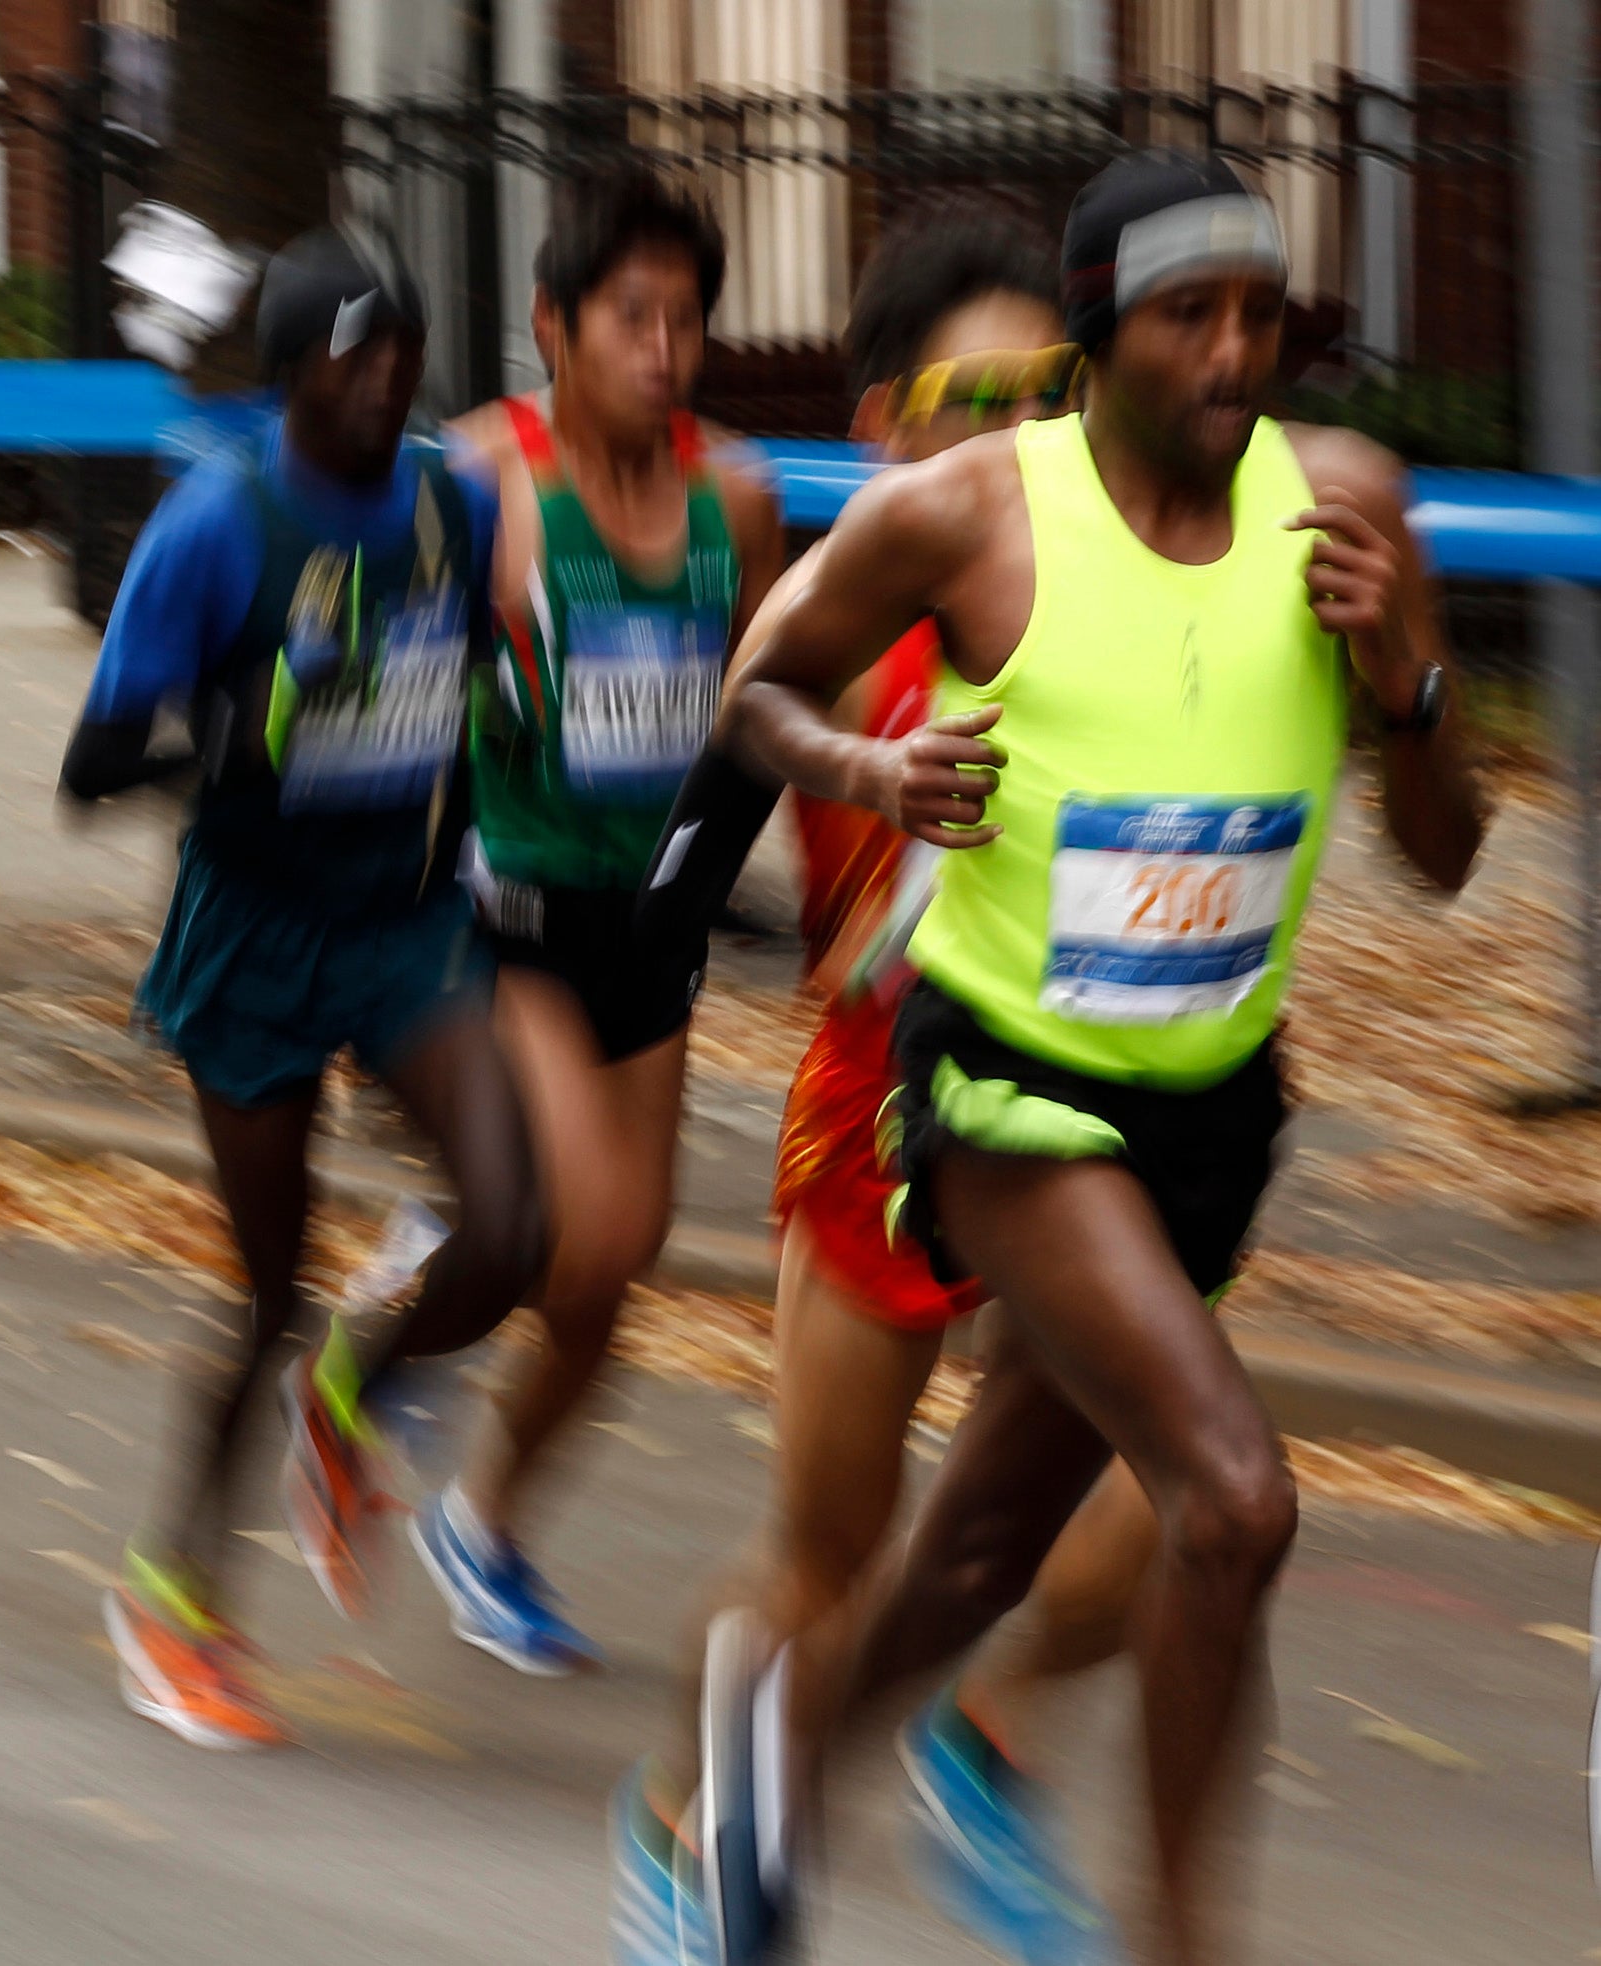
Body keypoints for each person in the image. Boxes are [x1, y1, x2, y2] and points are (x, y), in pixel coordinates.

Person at [695, 152, 1485, 1966]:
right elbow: (758, 684)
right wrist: (871, 777)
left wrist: (1412, 682)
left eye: (1258, 317)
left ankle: (782, 1749)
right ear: (1099, 336)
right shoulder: (974, 515)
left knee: (980, 1550)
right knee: (1234, 1497)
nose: (1231, 353)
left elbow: (1443, 856)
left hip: (1208, 1114)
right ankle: (1189, 1937)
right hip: (1001, 1092)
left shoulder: (1347, 508)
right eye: (1186, 316)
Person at [605, 214, 1152, 1965]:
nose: (1013, 427)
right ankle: (688, 1822)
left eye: (1047, 390)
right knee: (828, 1563)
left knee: (1140, 1529)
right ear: (886, 420)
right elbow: (689, 870)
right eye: (971, 395)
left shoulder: (1115, 585)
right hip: (878, 1137)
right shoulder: (835, 616)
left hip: (1066, 1131)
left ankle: (974, 1756)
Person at [54, 230, 545, 1749]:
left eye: (401, 348)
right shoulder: (215, 528)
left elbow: (479, 680)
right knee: (265, 1290)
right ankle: (170, 1596)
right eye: (355, 352)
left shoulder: (450, 504)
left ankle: (358, 1382)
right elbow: (87, 771)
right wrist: (226, 743)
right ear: (289, 375)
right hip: (254, 931)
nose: (389, 375)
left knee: (517, 1225)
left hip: (401, 922)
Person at [425, 170, 784, 1674]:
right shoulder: (478, 476)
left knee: (616, 1259)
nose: (664, 347)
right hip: (504, 909)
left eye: (687, 319)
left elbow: (771, 696)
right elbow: (384, 694)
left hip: (651, 918)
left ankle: (480, 1519)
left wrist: (745, 880)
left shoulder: (738, 495)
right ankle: (407, 1298)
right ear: (551, 327)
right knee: (573, 1236)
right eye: (631, 316)